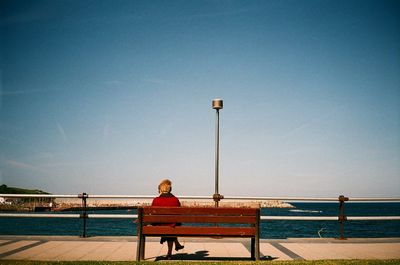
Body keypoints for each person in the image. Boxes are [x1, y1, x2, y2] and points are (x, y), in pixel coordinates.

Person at [151, 179, 184, 259]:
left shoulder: (156, 200)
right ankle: (170, 252)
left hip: (159, 226)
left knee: (167, 225)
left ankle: (176, 246)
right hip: (172, 226)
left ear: (160, 189)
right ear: (170, 189)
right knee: (172, 225)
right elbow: (179, 214)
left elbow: (153, 214)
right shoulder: (175, 200)